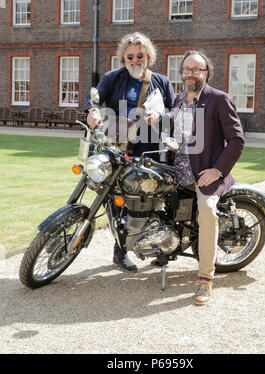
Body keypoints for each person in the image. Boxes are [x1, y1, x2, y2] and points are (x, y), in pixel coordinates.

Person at [85, 32, 175, 272]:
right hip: (118, 151)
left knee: (154, 201)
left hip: (151, 153)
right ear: (123, 57)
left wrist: (161, 116)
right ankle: (120, 251)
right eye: (131, 56)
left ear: (148, 56)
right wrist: (92, 110)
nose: (136, 60)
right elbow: (94, 98)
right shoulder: (112, 78)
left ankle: (161, 247)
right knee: (119, 202)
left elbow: (177, 114)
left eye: (141, 55)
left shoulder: (162, 82)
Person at [172, 50, 245, 305]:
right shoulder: (179, 100)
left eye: (196, 69)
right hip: (177, 171)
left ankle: (205, 279)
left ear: (206, 73)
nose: (190, 73)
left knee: (206, 211)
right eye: (187, 69)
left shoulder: (219, 99)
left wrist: (218, 170)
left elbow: (236, 140)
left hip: (206, 173)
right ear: (181, 73)